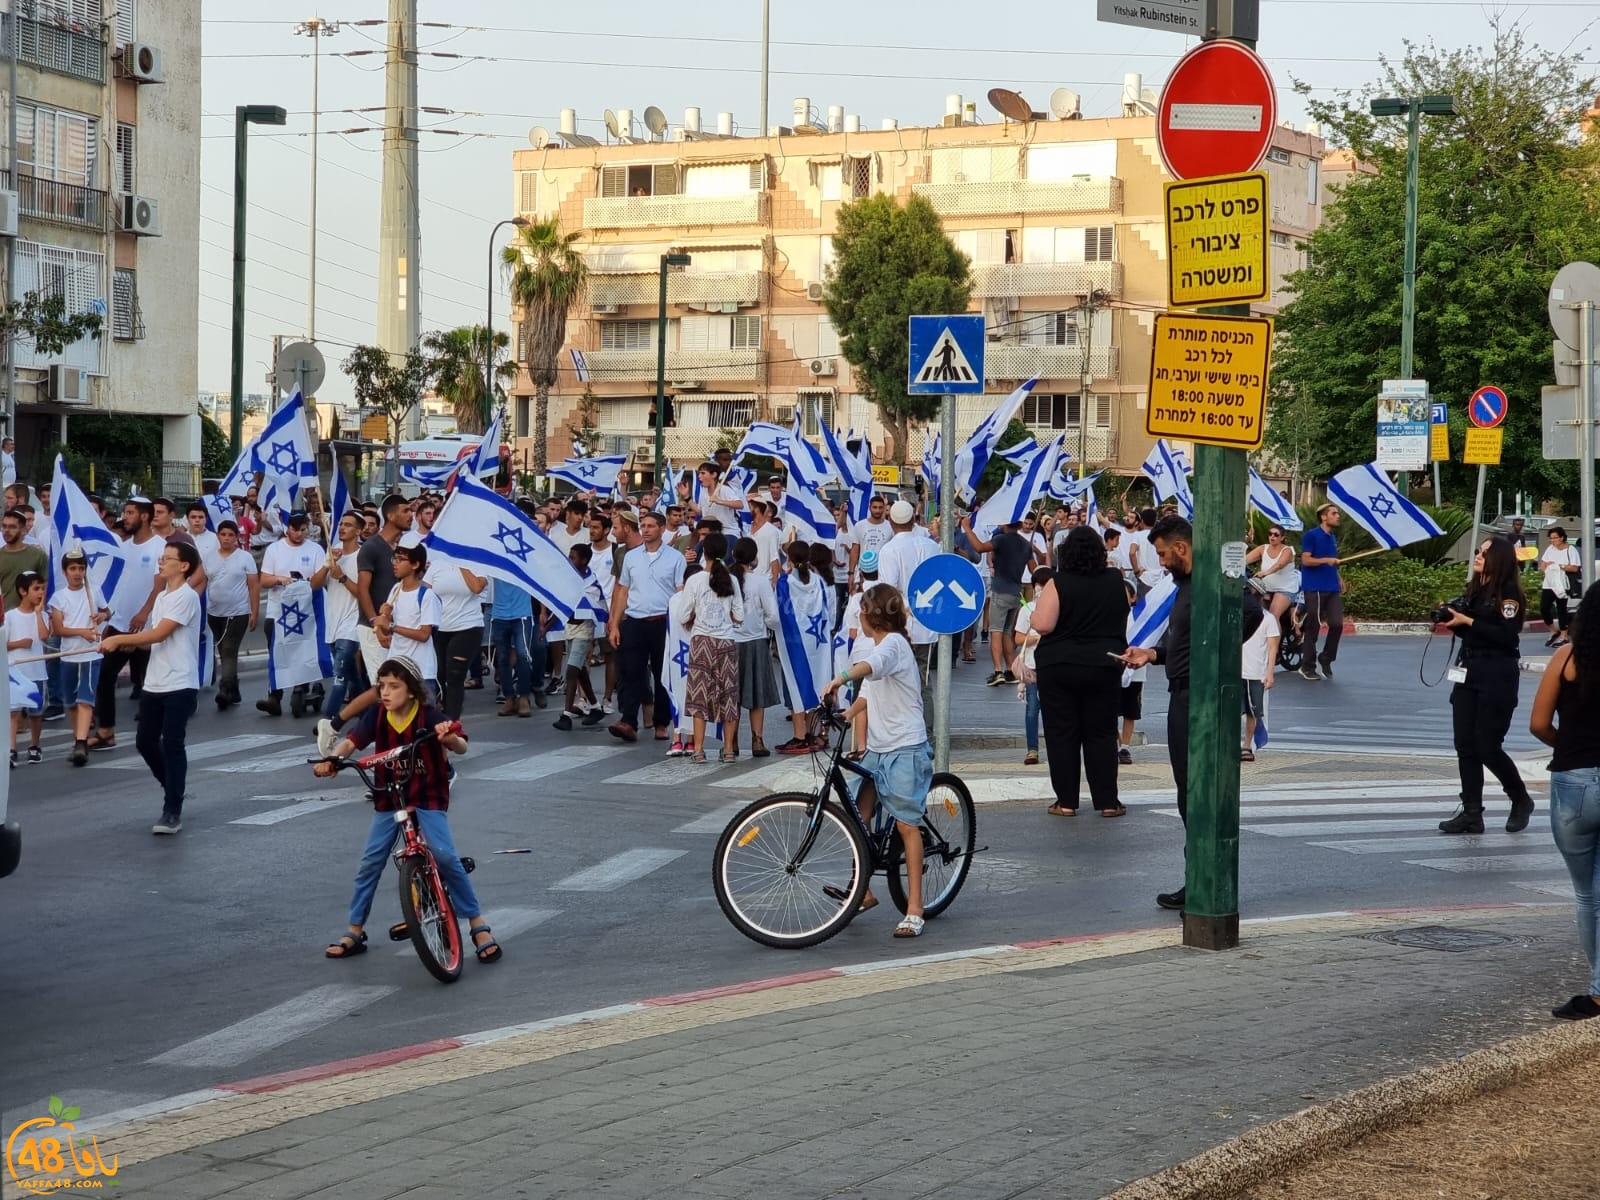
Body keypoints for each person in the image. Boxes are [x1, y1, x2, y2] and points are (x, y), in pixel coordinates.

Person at [314, 657, 501, 965]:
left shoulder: (428, 715)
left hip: (427, 796)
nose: (385, 693)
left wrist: (448, 738)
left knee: (444, 855)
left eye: (394, 686)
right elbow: (351, 742)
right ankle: (354, 930)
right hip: (389, 799)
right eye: (382, 686)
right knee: (370, 862)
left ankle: (478, 926)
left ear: (412, 691)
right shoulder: (376, 715)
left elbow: (462, 746)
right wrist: (332, 759)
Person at [1120, 516, 1262, 911]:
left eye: (1164, 553)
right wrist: (1153, 653)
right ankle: (1195, 875)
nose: (1162, 562)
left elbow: (1250, 613)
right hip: (1182, 694)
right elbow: (1180, 640)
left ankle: (1206, 881)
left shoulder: (1214, 579)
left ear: (1182, 548)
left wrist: (1217, 651)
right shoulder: (1185, 586)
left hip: (1200, 697)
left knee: (1199, 791)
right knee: (1188, 792)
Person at [821, 583, 933, 938]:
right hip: (878, 748)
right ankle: (862, 891)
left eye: (862, 610)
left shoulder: (895, 645)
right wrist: (845, 714)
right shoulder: (878, 645)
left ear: (872, 615)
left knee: (905, 825)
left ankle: (915, 907)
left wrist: (839, 679)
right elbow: (868, 692)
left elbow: (872, 668)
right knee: (859, 815)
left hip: (904, 746)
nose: (859, 615)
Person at [1528, 587, 1600, 1020]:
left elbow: (1538, 724)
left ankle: (1597, 989)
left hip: (1573, 783)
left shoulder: (1567, 659)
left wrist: (1568, 747)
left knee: (1587, 895)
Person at [100, 542, 204, 835]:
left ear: (183, 566)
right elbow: (149, 641)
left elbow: (160, 633)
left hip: (180, 681)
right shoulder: (161, 597)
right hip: (154, 682)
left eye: (168, 559)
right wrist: (114, 642)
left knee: (172, 743)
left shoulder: (186, 597)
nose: (161, 562)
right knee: (145, 742)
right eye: (162, 558)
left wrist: (120, 641)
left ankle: (172, 808)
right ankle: (172, 786)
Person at [1437, 536, 1538, 835]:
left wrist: (1468, 622)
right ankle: (1471, 813)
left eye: (1485, 553)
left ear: (1500, 559)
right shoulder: (1476, 590)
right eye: (1478, 551)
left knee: (1487, 746)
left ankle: (1520, 799)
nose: (1478, 556)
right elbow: (1473, 633)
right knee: (1465, 744)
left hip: (1497, 673)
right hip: (1469, 668)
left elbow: (1507, 636)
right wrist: (1454, 620)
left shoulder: (1509, 595)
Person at [1028, 527, 1129, 817]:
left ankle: (1067, 801)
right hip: (1104, 663)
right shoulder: (1115, 580)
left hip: (1059, 665)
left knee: (1062, 733)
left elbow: (1044, 624)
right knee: (1101, 732)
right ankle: (1108, 801)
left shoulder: (1058, 582)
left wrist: (1034, 615)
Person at [607, 511, 686, 743]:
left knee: (663, 673)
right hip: (635, 620)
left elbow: (680, 592)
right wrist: (615, 623)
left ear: (662, 529)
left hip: (663, 622)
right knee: (632, 672)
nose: (646, 529)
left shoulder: (675, 558)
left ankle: (661, 723)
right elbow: (622, 590)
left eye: (651, 526)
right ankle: (629, 721)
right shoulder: (631, 558)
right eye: (643, 525)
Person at [92, 499, 163, 751]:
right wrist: (108, 612)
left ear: (144, 517)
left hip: (146, 626)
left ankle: (155, 730)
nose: (126, 517)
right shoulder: (123, 546)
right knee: (104, 675)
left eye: (131, 513)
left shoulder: (159, 547)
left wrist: (144, 613)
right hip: (120, 622)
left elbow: (159, 585)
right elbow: (120, 586)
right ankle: (106, 731)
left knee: (147, 680)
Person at [680, 532, 744, 762]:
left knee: (699, 696)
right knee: (728, 694)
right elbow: (739, 615)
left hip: (701, 641)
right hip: (726, 641)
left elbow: (683, 614)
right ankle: (728, 748)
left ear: (703, 552)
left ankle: (698, 749)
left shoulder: (695, 580)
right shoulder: (732, 580)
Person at [875, 500, 938, 721]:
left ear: (890, 521)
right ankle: (928, 736)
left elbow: (888, 591)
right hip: (928, 624)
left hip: (900, 627)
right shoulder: (932, 546)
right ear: (914, 520)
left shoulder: (889, 550)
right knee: (923, 682)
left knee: (898, 683)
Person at [257, 513, 324, 717]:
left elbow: (319, 581)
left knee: (302, 649)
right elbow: (264, 580)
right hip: (279, 611)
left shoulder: (314, 550)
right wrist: (280, 579)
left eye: (303, 529)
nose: (299, 534)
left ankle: (302, 685)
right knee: (277, 652)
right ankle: (274, 695)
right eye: (295, 529)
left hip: (305, 610)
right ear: (287, 528)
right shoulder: (275, 549)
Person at [962, 514, 1032, 687]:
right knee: (1008, 631)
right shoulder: (1025, 544)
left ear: (1005, 524)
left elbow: (978, 548)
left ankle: (998, 671)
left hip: (1001, 590)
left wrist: (967, 528)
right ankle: (1010, 670)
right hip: (1016, 592)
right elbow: (1033, 568)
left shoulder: (1001, 540)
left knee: (996, 631)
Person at [49, 547, 105, 766]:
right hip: (69, 655)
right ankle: (78, 739)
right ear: (65, 572)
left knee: (85, 700)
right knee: (71, 702)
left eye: (81, 568)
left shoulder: (94, 591)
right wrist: (81, 631)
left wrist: (101, 615)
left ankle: (81, 743)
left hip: (91, 654)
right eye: (73, 568)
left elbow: (107, 611)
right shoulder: (59, 597)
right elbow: (58, 629)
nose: (77, 573)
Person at [728, 535, 779, 758]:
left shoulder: (725, 580)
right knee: (756, 695)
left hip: (730, 641)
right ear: (753, 558)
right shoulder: (760, 582)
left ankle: (731, 741)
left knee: (733, 696)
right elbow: (773, 616)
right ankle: (757, 739)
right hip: (756, 641)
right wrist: (765, 626)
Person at [424, 554, 488, 720]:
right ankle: (445, 710)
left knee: (455, 674)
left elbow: (477, 587)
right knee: (440, 674)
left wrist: (461, 563)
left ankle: (453, 720)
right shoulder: (437, 564)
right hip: (440, 627)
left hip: (468, 626)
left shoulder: (476, 563)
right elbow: (425, 591)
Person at [206, 520, 260, 709]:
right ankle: (234, 689)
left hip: (238, 613)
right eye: (223, 534)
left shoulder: (245, 558)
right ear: (218, 536)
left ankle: (225, 689)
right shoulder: (208, 558)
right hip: (214, 613)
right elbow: (201, 581)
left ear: (236, 537)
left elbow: (253, 586)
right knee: (223, 650)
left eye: (231, 535)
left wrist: (254, 611)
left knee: (229, 649)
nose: (227, 538)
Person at [377, 543, 442, 698]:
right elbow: (386, 629)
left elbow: (424, 634)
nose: (395, 563)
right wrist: (383, 619)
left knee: (424, 718)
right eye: (395, 558)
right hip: (397, 666)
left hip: (421, 670)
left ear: (415, 564)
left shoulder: (427, 596)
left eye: (401, 559)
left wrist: (392, 627)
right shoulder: (395, 590)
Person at [553, 542, 605, 730]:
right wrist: (548, 625)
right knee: (581, 668)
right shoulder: (568, 578)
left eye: (573, 557)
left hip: (584, 629)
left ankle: (566, 714)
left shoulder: (590, 583)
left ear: (584, 560)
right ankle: (595, 707)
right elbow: (563, 603)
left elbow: (586, 606)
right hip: (570, 628)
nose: (569, 560)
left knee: (572, 669)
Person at [317, 513, 365, 720]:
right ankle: (370, 709)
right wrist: (328, 566)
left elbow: (363, 593)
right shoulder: (332, 552)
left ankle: (329, 720)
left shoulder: (362, 556)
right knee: (352, 675)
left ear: (359, 531)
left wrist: (343, 577)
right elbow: (315, 584)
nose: (343, 528)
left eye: (349, 525)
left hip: (352, 624)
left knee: (339, 676)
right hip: (333, 624)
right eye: (342, 524)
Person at [6, 571, 49, 766]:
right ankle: (11, 748)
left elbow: (44, 636)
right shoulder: (10, 617)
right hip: (16, 672)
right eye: (36, 589)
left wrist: (39, 613)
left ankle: (35, 745)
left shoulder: (42, 615)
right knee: (13, 712)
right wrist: (18, 643)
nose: (40, 593)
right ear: (23, 591)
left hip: (37, 672)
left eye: (42, 589)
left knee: (36, 713)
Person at [1012, 567, 1053, 767]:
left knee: (1053, 709)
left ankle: (1055, 747)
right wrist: (1037, 638)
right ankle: (1032, 749)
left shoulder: (1058, 608)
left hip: (1053, 666)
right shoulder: (1026, 609)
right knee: (1032, 708)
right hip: (1031, 665)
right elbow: (1018, 638)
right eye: (1041, 585)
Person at [1298, 502, 1342, 680]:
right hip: (1314, 587)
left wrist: (1339, 578)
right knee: (1313, 626)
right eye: (1334, 513)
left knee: (1337, 624)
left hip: (1332, 587)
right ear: (1324, 517)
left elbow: (1332, 562)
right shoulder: (1311, 536)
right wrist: (1326, 560)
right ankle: (1307, 666)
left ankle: (1326, 657)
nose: (1338, 516)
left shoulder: (1332, 537)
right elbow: (1306, 561)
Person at [490, 576, 542, 718]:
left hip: (522, 614)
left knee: (523, 655)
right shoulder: (497, 558)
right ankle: (509, 698)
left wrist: (543, 611)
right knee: (502, 659)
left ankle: (524, 697)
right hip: (499, 614)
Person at [1240, 604, 1281, 762]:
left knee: (1253, 712)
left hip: (1256, 672)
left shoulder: (1268, 619)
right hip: (1236, 671)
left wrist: (1270, 673)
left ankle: (1247, 744)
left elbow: (1272, 648)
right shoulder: (1238, 615)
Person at [1247, 524, 1299, 626]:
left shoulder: (1288, 550)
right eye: (1270, 534)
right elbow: (1245, 560)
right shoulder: (1263, 548)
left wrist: (1265, 573)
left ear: (1282, 538)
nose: (1272, 537)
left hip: (1285, 589)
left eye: (1276, 535)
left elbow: (1279, 564)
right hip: (1265, 588)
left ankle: (1274, 642)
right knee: (1257, 614)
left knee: (1273, 617)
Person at [1539, 526, 1581, 648]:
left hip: (1562, 584)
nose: (1553, 541)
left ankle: (1564, 636)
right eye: (1551, 538)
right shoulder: (1550, 549)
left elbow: (1575, 567)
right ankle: (1553, 630)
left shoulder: (1570, 550)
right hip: (1549, 583)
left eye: (1555, 538)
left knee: (1561, 609)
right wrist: (1545, 567)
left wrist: (1558, 566)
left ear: (1562, 537)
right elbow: (1543, 564)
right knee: (1544, 607)